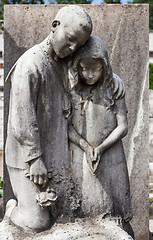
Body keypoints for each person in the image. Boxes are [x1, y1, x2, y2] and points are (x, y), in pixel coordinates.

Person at [4, 5, 92, 232]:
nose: (73, 48)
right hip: (28, 159)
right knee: (37, 223)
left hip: (55, 154)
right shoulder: (30, 65)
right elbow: (21, 119)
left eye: (79, 45)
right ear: (55, 26)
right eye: (70, 39)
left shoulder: (63, 66)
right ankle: (12, 209)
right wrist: (34, 159)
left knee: (69, 212)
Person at [68, 35, 133, 225]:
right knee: (84, 208)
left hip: (111, 154)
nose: (89, 74)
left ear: (104, 67)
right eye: (84, 69)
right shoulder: (71, 90)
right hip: (80, 153)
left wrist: (101, 148)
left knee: (116, 208)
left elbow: (123, 126)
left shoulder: (113, 87)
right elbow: (67, 126)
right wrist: (86, 147)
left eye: (96, 69)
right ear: (76, 68)